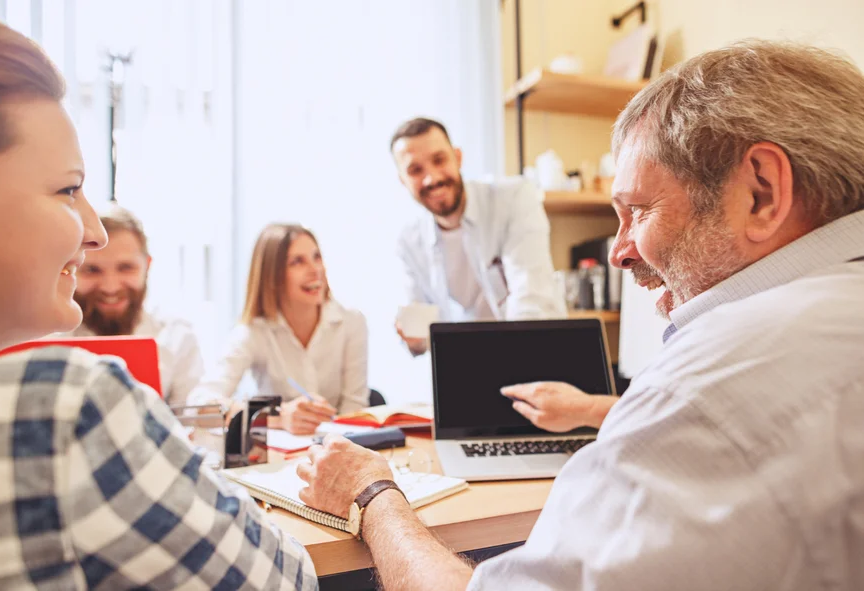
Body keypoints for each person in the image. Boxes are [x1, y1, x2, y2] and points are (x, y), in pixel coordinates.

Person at [297, 40, 864, 590]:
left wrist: (372, 494)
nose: (617, 253)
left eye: (638, 210)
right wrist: (597, 407)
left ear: (761, 194)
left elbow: (537, 305)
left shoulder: (707, 386)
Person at [0, 14, 316, 589]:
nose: (93, 233)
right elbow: (289, 580)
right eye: (66, 189)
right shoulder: (64, 404)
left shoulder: (175, 333)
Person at [391, 118, 566, 355]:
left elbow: (531, 297)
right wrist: (412, 338)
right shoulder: (408, 241)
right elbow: (420, 328)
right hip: (464, 362)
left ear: (458, 157)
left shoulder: (514, 198)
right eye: (415, 170)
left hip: (534, 350)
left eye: (439, 160)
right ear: (403, 180)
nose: (431, 178)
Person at [188, 224, 369, 435]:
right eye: (297, 262)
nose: (315, 270)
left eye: (316, 257)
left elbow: (354, 409)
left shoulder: (351, 322)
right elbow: (199, 405)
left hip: (335, 448)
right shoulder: (254, 332)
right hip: (278, 458)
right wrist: (275, 417)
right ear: (271, 276)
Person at [65, 203, 205, 407]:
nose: (110, 287)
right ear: (72, 268)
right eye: (92, 270)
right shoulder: (47, 339)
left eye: (126, 268)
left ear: (147, 267)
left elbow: (195, 424)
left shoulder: (177, 337)